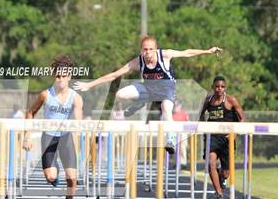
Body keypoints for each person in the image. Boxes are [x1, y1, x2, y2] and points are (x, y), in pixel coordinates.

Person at [74, 35, 222, 154]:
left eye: (151, 49)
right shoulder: (137, 62)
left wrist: (207, 51)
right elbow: (113, 75)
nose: (148, 53)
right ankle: (141, 100)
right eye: (145, 50)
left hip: (167, 90)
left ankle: (170, 139)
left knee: (166, 108)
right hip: (148, 89)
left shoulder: (165, 55)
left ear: (156, 49)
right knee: (120, 94)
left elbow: (187, 52)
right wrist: (89, 84)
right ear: (141, 50)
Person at [23, 54, 83, 199]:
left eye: (64, 76)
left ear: (69, 76)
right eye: (58, 76)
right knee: (51, 177)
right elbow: (30, 112)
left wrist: (78, 146)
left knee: (72, 179)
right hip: (49, 137)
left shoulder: (76, 98)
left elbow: (78, 124)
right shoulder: (45, 95)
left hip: (66, 138)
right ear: (54, 76)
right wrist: (27, 136)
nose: (61, 79)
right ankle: (53, 169)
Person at [200, 76, 245, 199]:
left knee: (226, 173)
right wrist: (203, 125)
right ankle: (219, 194)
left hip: (227, 139)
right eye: (217, 86)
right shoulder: (208, 100)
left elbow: (242, 118)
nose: (219, 89)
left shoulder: (231, 100)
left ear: (225, 88)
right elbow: (200, 113)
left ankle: (222, 176)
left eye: (222, 87)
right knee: (211, 163)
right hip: (212, 136)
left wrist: (235, 133)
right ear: (212, 87)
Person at [172, 101, 190, 170]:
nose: (175, 107)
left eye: (177, 106)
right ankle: (176, 162)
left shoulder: (183, 113)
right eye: (175, 106)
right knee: (175, 148)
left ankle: (183, 163)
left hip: (183, 132)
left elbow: (188, 122)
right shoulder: (171, 114)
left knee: (182, 147)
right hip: (174, 132)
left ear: (180, 106)